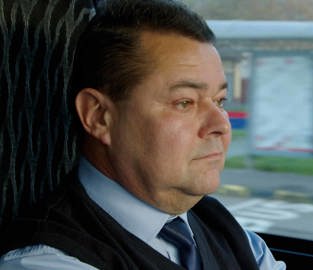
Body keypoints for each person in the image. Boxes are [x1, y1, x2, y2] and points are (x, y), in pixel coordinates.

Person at [0, 0, 286, 269]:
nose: (222, 125)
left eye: (220, 101)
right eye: (184, 102)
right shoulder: (47, 260)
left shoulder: (233, 235)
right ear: (99, 116)